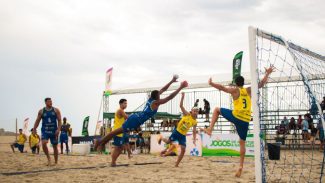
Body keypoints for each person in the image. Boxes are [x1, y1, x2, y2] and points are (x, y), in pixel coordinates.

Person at [201, 66, 275, 177]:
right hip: (245, 120)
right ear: (243, 83)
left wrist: (211, 84)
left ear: (235, 83)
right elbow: (261, 84)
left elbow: (222, 87)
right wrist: (267, 73)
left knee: (216, 109)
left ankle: (210, 129)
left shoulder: (235, 90)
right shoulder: (249, 90)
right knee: (242, 143)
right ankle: (240, 166)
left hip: (236, 116)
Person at [94, 76, 188, 152]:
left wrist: (172, 81)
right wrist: (180, 87)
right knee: (115, 132)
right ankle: (99, 142)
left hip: (136, 118)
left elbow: (163, 89)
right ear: (157, 97)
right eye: (159, 95)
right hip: (135, 121)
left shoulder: (152, 98)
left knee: (115, 133)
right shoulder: (155, 102)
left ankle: (100, 143)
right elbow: (169, 97)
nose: (160, 95)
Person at [158, 92, 198, 167]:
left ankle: (176, 164)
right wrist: (182, 96)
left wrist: (194, 139)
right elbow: (181, 106)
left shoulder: (195, 122)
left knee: (183, 150)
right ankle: (161, 138)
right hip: (176, 132)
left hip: (182, 135)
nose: (196, 112)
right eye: (194, 111)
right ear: (191, 111)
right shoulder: (187, 114)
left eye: (197, 111)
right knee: (167, 142)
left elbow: (194, 131)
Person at [33, 98, 62, 166]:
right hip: (45, 130)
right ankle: (49, 158)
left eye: (51, 101)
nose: (51, 102)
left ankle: (56, 162)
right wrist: (34, 129)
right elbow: (37, 120)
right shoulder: (41, 111)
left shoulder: (56, 110)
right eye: (49, 101)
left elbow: (59, 120)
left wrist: (58, 129)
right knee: (44, 143)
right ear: (45, 103)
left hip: (54, 130)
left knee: (55, 146)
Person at [111, 98, 131, 166]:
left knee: (121, 147)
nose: (126, 105)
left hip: (120, 132)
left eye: (126, 103)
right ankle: (113, 162)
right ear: (120, 104)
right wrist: (133, 117)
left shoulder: (121, 111)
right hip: (117, 132)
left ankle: (113, 161)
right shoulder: (120, 110)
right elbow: (127, 118)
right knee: (118, 148)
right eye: (125, 103)